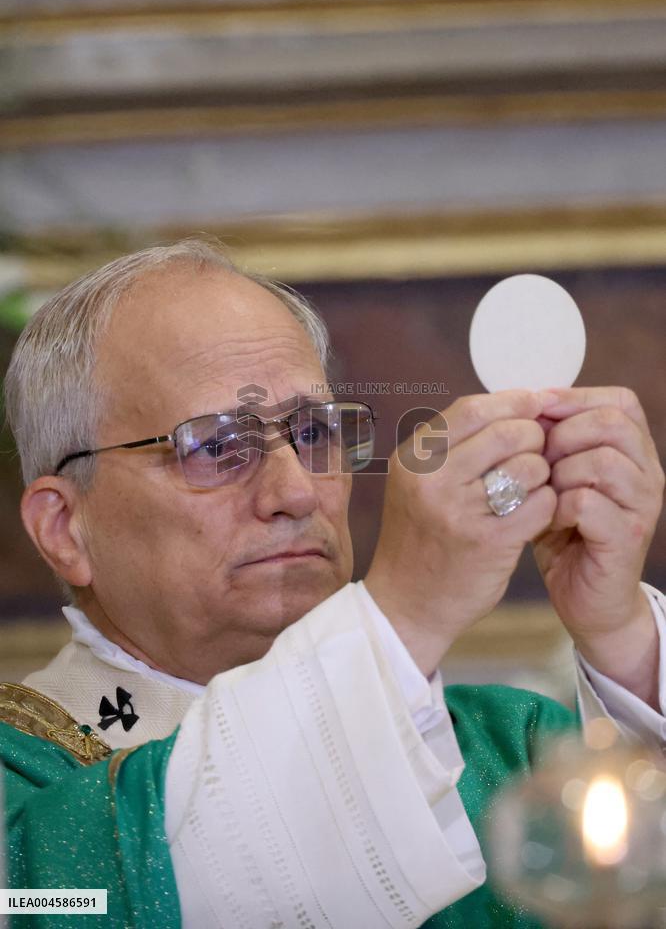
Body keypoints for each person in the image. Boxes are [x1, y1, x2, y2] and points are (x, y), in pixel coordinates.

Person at [1, 238, 664, 928]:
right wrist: (402, 616)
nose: (294, 491)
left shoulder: (519, 754)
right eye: (217, 445)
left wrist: (623, 641)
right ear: (64, 528)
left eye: (314, 432)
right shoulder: (19, 794)